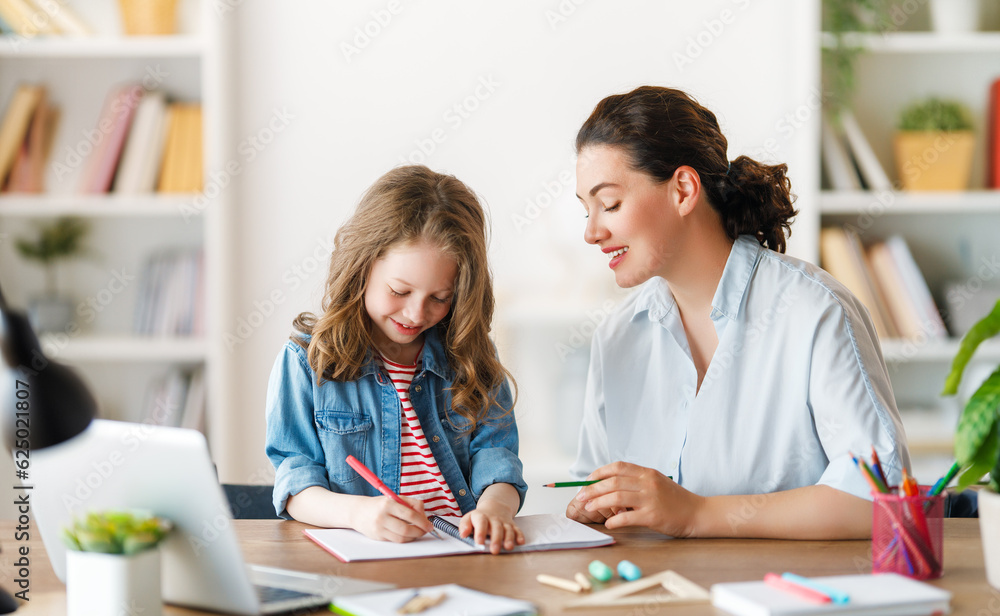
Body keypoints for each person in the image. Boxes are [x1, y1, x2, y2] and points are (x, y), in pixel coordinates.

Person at [567, 86, 909, 539]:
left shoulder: (814, 310)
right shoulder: (616, 337)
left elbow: (882, 499)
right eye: (586, 210)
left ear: (683, 190)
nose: (592, 232)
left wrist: (696, 514)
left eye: (609, 204)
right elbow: (594, 482)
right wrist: (593, 505)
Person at [266, 165, 527, 553]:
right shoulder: (307, 361)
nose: (416, 314)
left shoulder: (471, 357)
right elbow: (296, 486)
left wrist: (495, 509)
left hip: (463, 553)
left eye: (440, 298)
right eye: (400, 290)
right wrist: (360, 514)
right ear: (362, 266)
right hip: (364, 560)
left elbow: (497, 459)